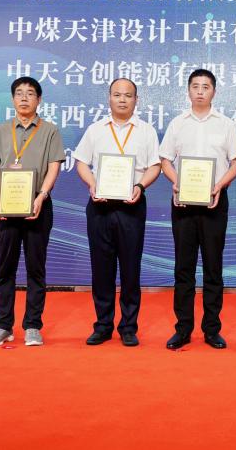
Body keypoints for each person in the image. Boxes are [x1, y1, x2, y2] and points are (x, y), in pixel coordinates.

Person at [73, 78, 160, 347]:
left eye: (128, 95)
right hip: (100, 206)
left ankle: (128, 327)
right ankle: (102, 325)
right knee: (102, 269)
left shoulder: (146, 131)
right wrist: (92, 183)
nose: (122, 99)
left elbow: (154, 166)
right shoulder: (95, 130)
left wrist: (140, 186)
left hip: (132, 206)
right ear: (109, 98)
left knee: (131, 269)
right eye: (117, 94)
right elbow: (81, 162)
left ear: (136, 100)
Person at [159, 69, 236, 350]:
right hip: (183, 203)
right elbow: (165, 160)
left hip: (215, 202)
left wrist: (218, 186)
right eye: (195, 86)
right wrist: (177, 183)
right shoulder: (178, 124)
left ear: (214, 91)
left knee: (213, 268)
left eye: (206, 87)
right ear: (188, 91)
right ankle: (182, 329)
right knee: (183, 268)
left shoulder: (226, 125)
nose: (200, 91)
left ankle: (212, 329)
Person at [0, 77, 64, 347]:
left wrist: (42, 196)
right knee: (5, 267)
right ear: (12, 99)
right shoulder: (1, 130)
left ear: (39, 99)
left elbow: (54, 166)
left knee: (35, 268)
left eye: (30, 93)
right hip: (6, 208)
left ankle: (32, 326)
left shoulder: (50, 130)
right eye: (19, 93)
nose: (24, 98)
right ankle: (3, 325)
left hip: (38, 206)